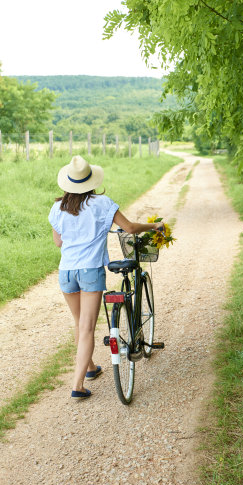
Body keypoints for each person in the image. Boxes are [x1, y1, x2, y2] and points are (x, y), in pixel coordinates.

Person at [49, 155, 163, 400]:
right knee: (88, 326)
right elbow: (130, 228)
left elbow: (59, 242)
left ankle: (90, 368)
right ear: (91, 181)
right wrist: (154, 227)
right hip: (89, 270)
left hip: (66, 271)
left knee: (80, 323)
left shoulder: (57, 208)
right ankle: (77, 385)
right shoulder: (102, 204)